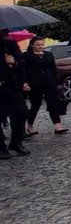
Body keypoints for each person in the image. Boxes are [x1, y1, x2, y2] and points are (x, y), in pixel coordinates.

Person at [24, 36, 66, 134]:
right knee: (35, 105)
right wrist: (25, 82)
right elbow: (24, 71)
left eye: (42, 44)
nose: (40, 46)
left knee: (53, 104)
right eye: (37, 45)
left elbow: (53, 69)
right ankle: (30, 126)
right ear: (32, 45)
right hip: (35, 84)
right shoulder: (27, 55)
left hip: (50, 82)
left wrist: (57, 83)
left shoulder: (49, 54)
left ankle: (57, 126)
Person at [0, 29, 30, 158]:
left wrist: (14, 62)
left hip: (11, 85)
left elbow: (22, 62)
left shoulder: (10, 45)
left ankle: (15, 142)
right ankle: (1, 148)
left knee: (22, 113)